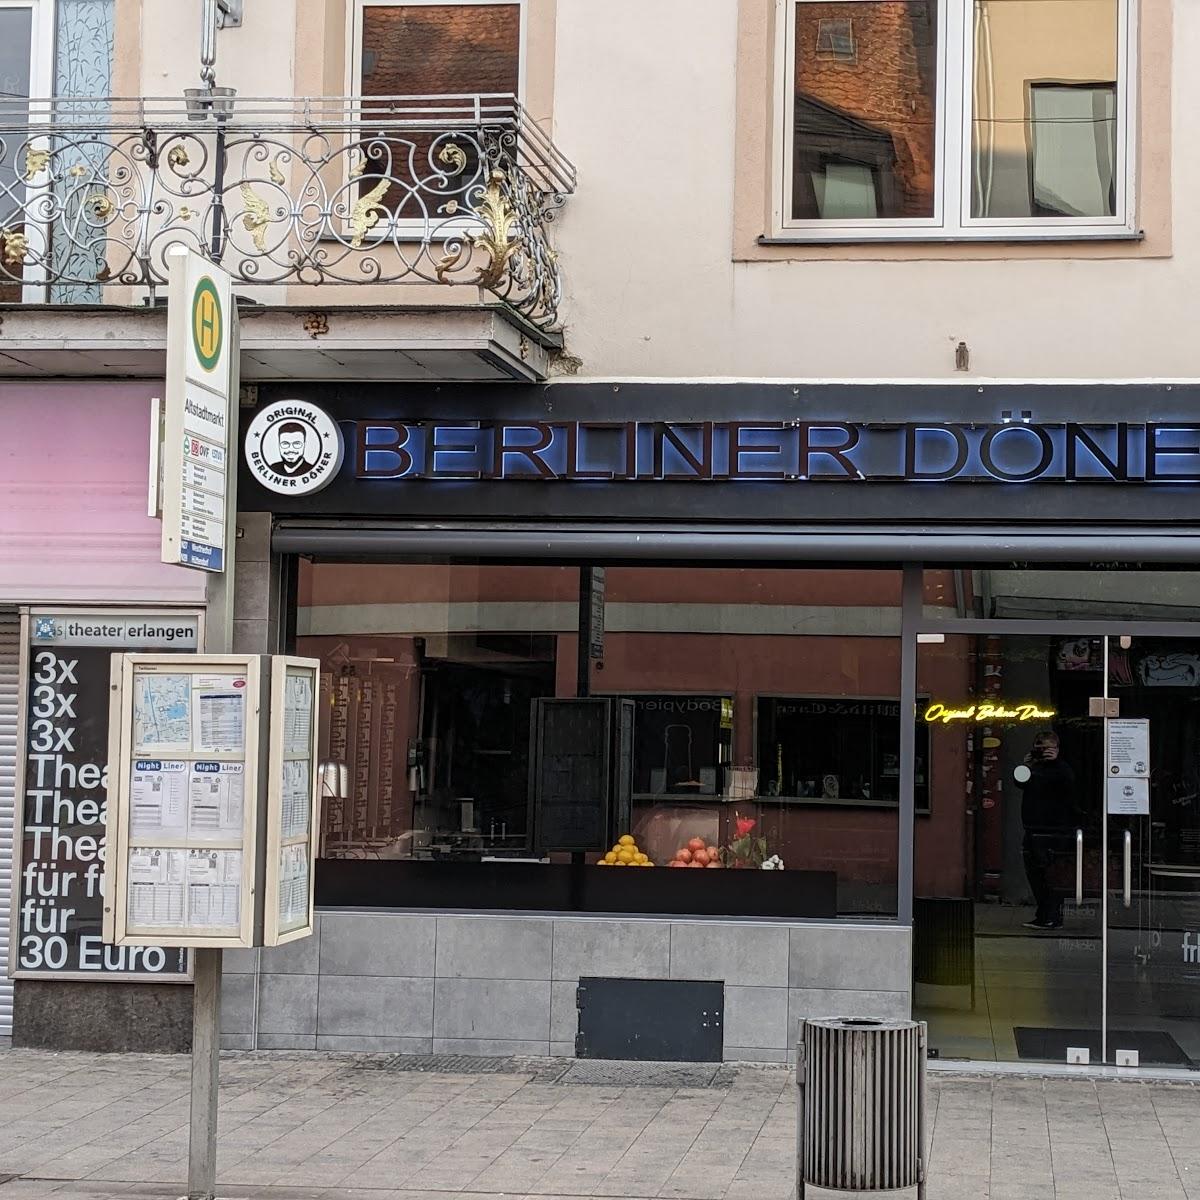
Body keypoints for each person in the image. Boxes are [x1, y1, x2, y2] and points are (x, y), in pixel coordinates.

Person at [1016, 729, 1077, 930]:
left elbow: (1069, 785)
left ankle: (1051, 916)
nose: (1044, 752)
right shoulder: (1035, 768)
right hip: (1033, 828)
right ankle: (1043, 914)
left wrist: (1056, 761)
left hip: (1054, 830)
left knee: (1052, 875)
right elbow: (1018, 781)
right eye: (1040, 748)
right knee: (1036, 875)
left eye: (1049, 748)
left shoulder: (1062, 769)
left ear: (1057, 749)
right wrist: (1027, 765)